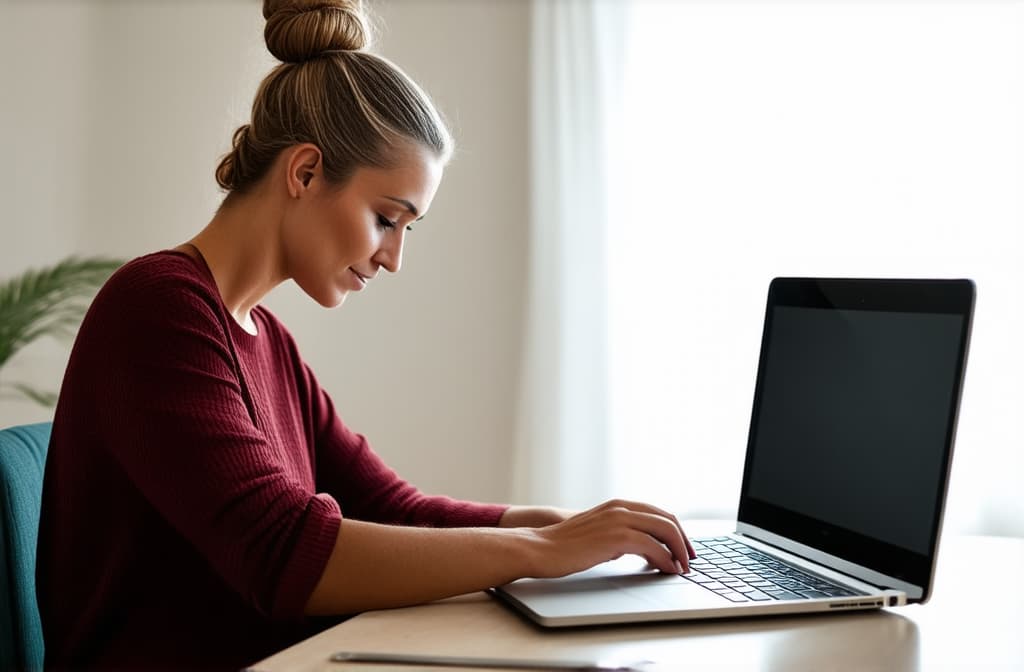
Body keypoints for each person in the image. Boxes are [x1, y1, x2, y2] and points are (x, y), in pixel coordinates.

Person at [36, 1, 695, 669]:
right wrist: (543, 553)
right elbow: (283, 555)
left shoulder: (266, 341)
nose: (393, 257)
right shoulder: (158, 310)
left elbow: (393, 508)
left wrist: (558, 524)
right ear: (304, 172)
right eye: (386, 218)